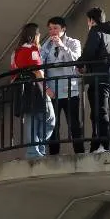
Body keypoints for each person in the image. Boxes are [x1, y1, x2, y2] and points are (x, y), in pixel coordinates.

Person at [77, 5, 110, 152]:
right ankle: (97, 144)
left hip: (99, 76)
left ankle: (103, 145)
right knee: (99, 111)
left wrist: (79, 63)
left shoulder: (96, 31)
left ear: (91, 20)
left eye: (88, 21)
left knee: (100, 112)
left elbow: (89, 52)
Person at [40, 16, 84, 156]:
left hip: (71, 91)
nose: (52, 31)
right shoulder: (46, 46)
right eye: (50, 29)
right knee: (53, 126)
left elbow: (76, 60)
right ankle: (53, 155)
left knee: (74, 125)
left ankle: (80, 153)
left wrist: (62, 46)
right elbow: (40, 66)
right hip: (53, 92)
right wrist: (46, 88)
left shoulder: (73, 42)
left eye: (55, 28)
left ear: (63, 29)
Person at [11, 23, 55, 158]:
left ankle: (34, 151)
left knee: (31, 120)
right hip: (35, 88)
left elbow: (12, 75)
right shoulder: (33, 50)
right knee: (50, 119)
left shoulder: (16, 52)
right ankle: (39, 147)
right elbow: (37, 71)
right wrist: (47, 89)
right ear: (35, 35)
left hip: (21, 88)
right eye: (39, 33)